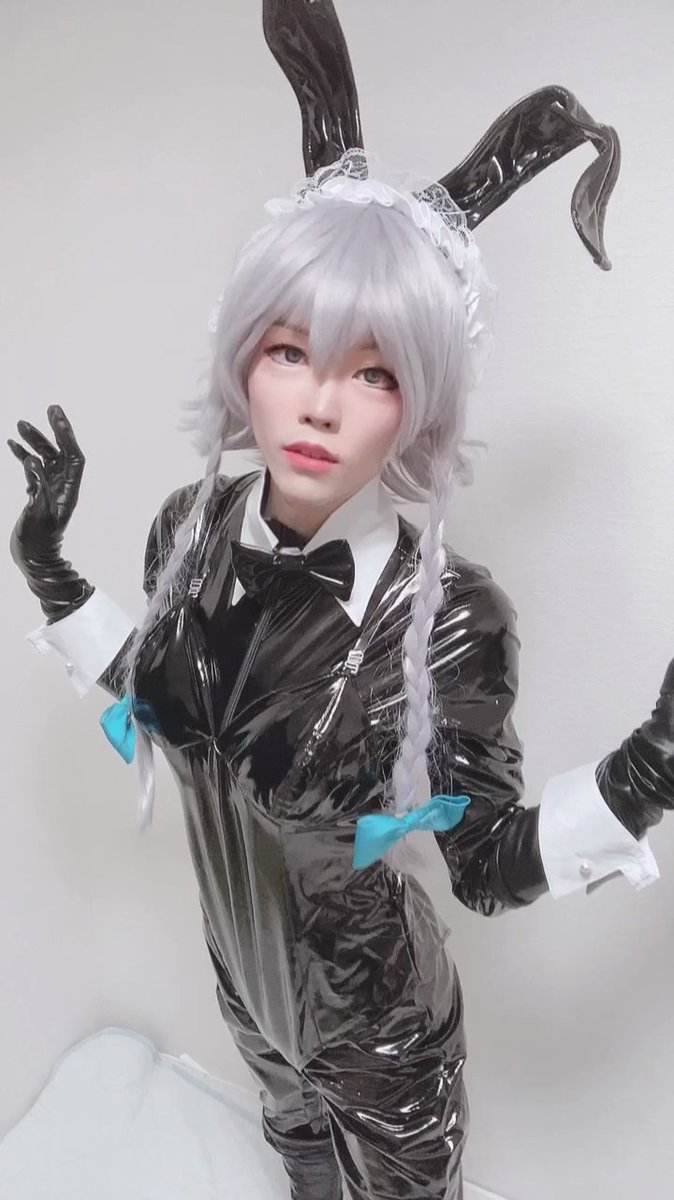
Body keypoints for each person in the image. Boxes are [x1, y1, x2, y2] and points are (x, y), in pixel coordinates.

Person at [8, 150, 674, 1200]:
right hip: (246, 999)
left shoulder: (448, 617)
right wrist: (50, 573)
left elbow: (484, 862)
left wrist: (650, 766)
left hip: (381, 1044)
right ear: (242, 361)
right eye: (289, 352)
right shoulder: (189, 530)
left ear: (420, 406)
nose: (319, 404)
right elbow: (168, 701)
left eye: (375, 373)